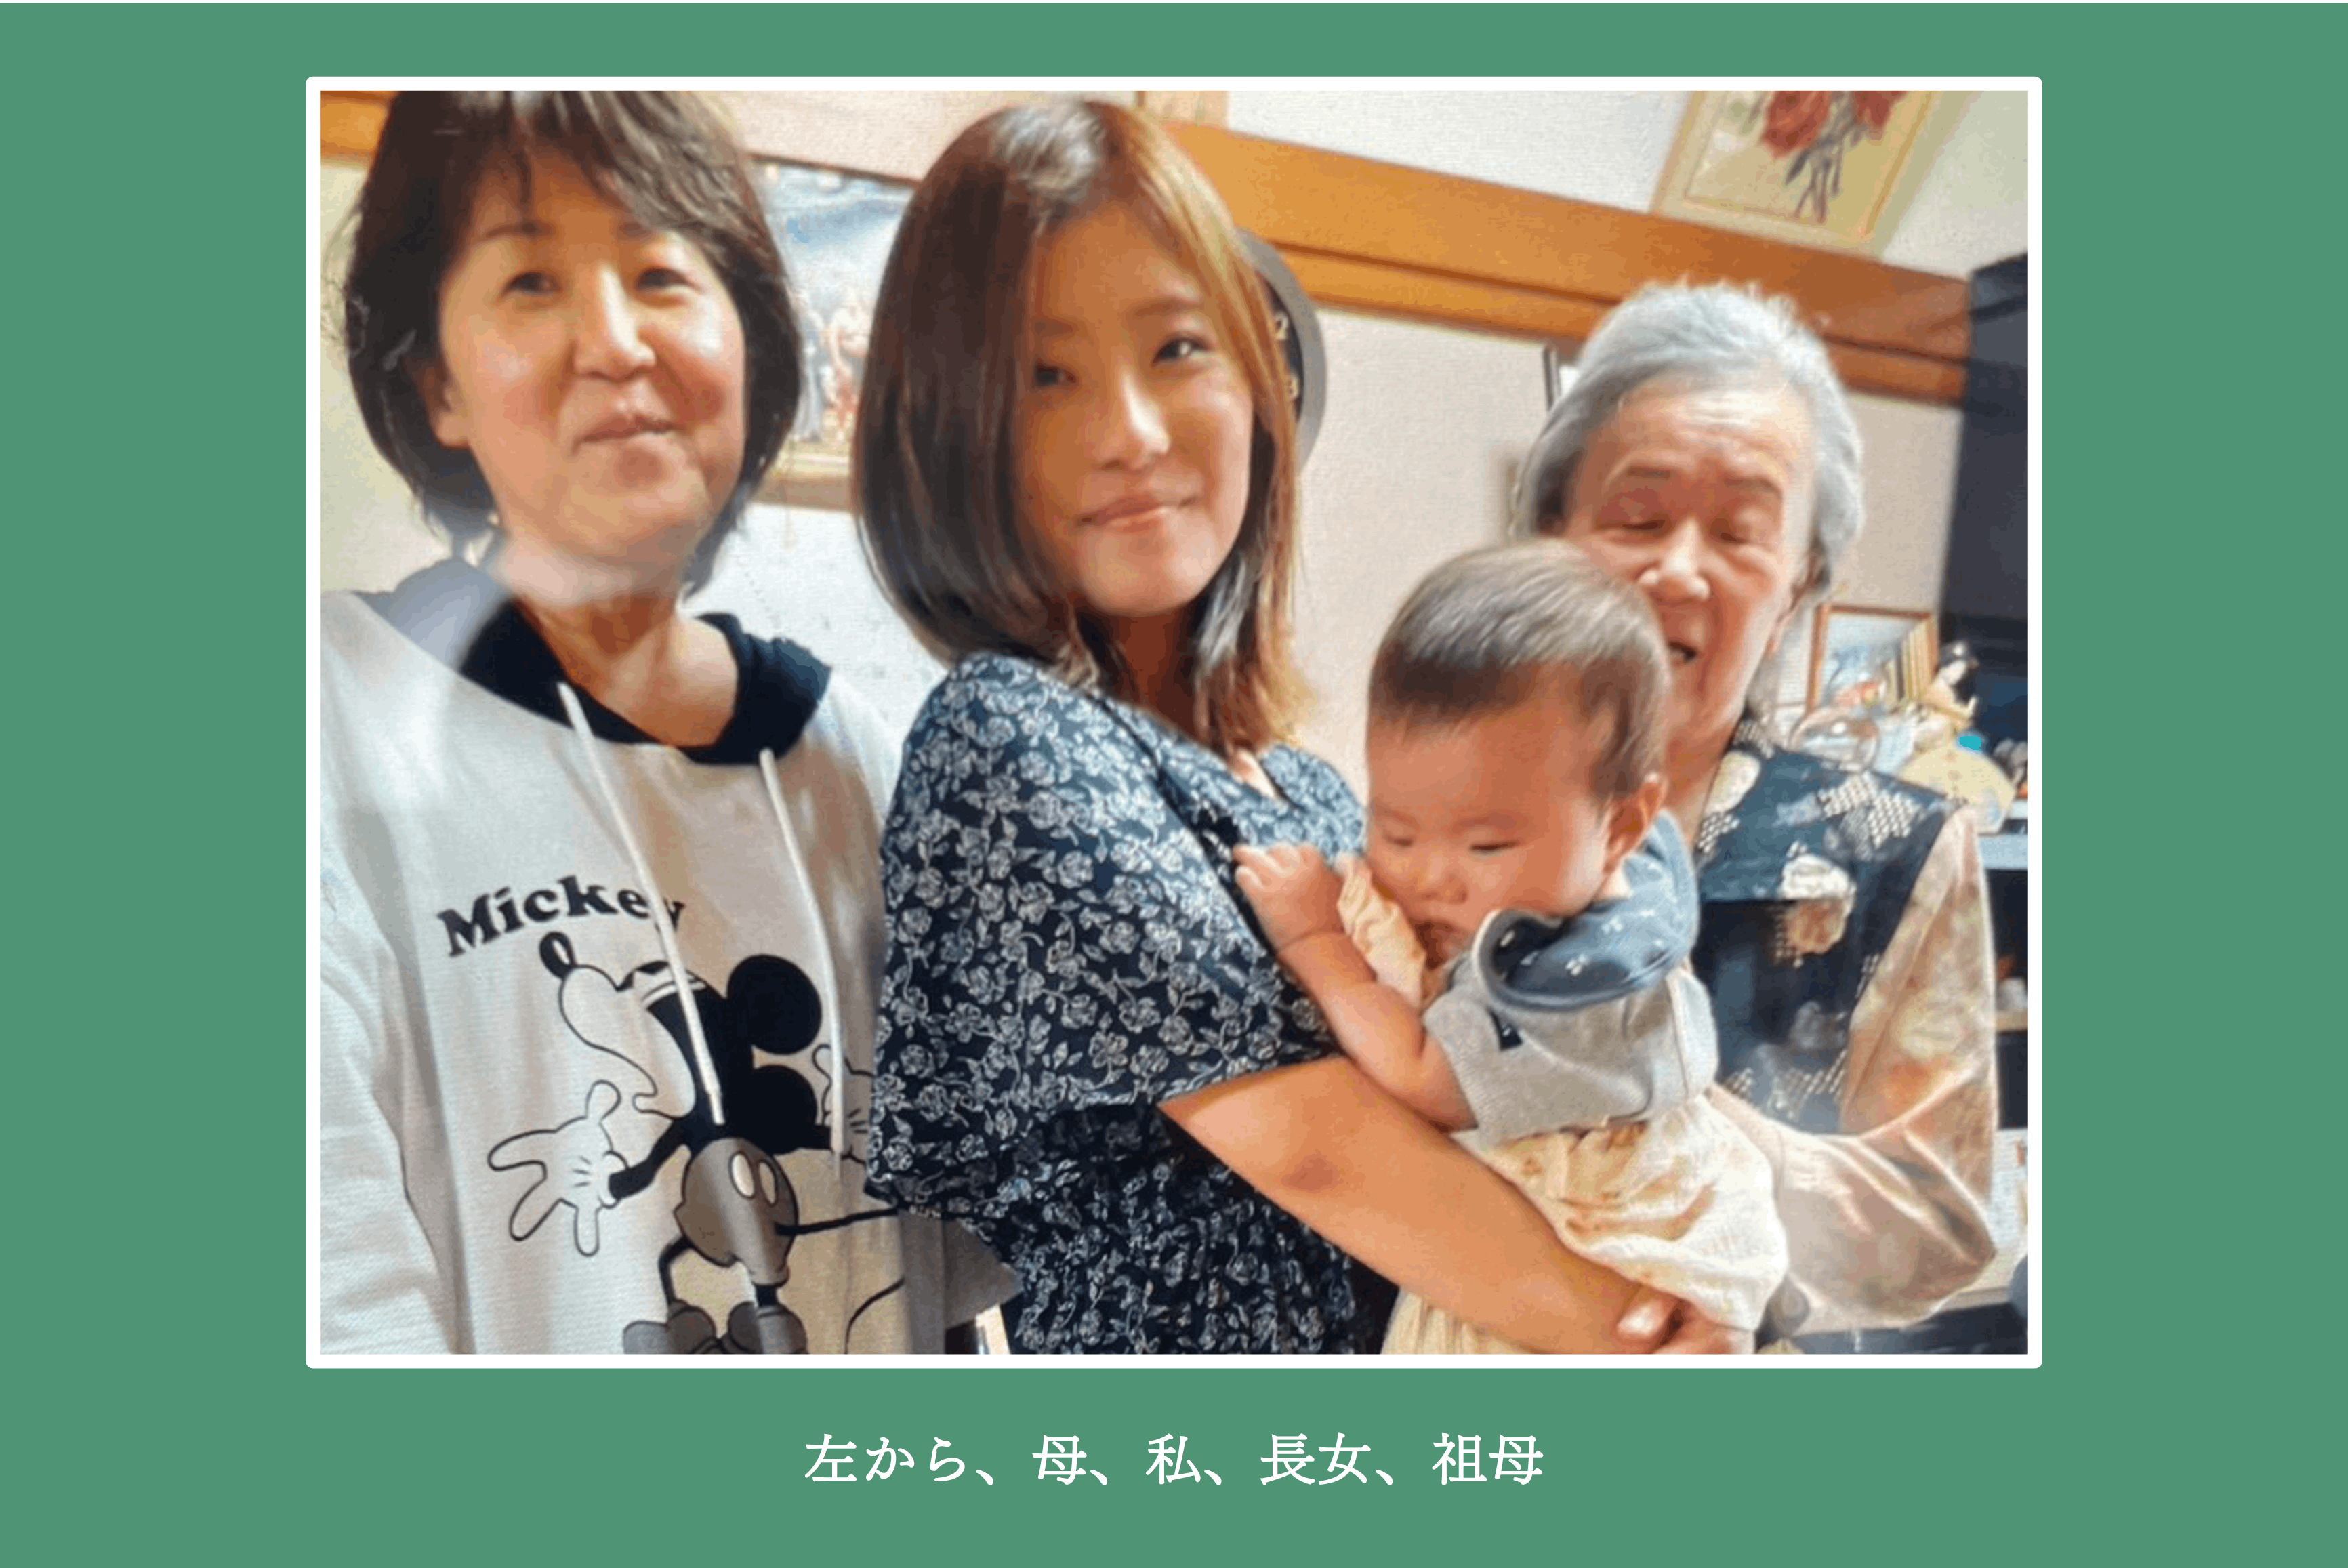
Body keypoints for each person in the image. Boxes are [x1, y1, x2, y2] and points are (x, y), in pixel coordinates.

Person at [854, 101, 1717, 1354]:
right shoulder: (1011, 742)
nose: (1133, 432)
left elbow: (1498, 1044)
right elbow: (1323, 1151)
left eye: (1177, 347)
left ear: (1257, 383)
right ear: (947, 429)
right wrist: (1648, 1330)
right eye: (1045, 375)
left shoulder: (1309, 789)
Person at [318, 90, 1011, 1353]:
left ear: (749, 343)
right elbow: (333, 1291)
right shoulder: (331, 712)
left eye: (659, 273)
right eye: (531, 281)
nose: (615, 339)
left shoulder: (851, 753)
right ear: (437, 386)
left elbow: (945, 1287)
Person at [1519, 283, 1998, 1350]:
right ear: (1551, 536)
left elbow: (1941, 1229)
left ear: (1796, 584)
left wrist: (1668, 1128)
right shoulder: (1446, 809)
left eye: (1739, 531)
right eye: (1636, 518)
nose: (1677, 568)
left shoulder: (1894, 848)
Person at [1233, 543, 1786, 1353]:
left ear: (1622, 827)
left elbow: (1424, 1077)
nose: (1430, 877)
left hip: (1603, 1264)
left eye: (1486, 846)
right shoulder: (1551, 904)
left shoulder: (1593, 986)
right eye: (1396, 830)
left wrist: (1317, 940)